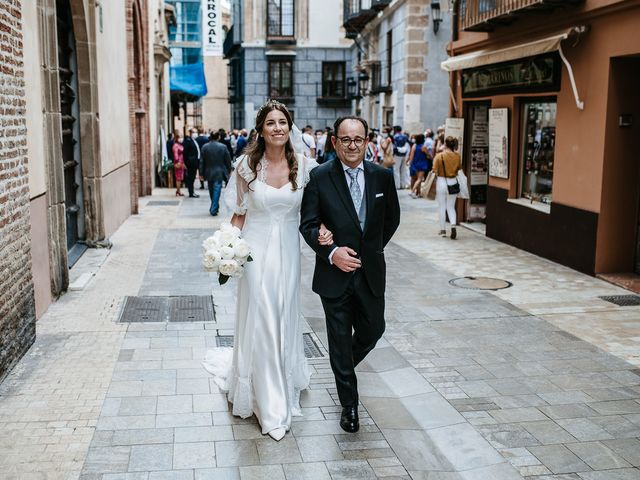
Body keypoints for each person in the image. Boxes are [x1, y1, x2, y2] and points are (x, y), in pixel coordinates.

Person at [202, 100, 333, 442]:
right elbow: (239, 214)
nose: (277, 127)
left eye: (283, 122)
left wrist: (325, 231)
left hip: (289, 251)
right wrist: (226, 245)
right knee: (261, 317)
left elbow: (317, 211)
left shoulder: (306, 167)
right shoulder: (246, 166)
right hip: (256, 252)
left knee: (283, 314)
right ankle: (271, 405)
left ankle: (280, 381)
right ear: (260, 130)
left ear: (290, 128)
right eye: (270, 122)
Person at [300, 116, 400, 434]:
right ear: (334, 142)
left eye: (358, 139)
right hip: (334, 276)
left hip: (370, 272)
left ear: (367, 140)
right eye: (346, 139)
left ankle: (342, 369)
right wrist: (333, 253)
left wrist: (370, 251)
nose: (352, 145)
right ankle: (349, 405)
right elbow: (309, 224)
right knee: (340, 341)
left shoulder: (382, 177)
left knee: (373, 329)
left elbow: (392, 219)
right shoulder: (319, 177)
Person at [432, 136, 462, 239]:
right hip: (453, 181)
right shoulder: (457, 156)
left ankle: (443, 230)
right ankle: (453, 225)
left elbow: (434, 170)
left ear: (445, 144)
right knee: (451, 206)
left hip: (441, 181)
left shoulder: (439, 156)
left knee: (442, 206)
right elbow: (459, 168)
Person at [200, 131, 232, 216]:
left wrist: (201, 173)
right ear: (218, 137)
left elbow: (201, 162)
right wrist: (229, 170)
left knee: (212, 190)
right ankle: (214, 208)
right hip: (219, 171)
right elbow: (228, 160)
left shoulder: (205, 147)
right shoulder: (223, 147)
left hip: (208, 171)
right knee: (216, 190)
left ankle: (214, 207)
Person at [407, 133, 430, 198]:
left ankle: (418, 193)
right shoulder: (424, 147)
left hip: (415, 163)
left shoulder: (414, 146)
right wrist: (428, 154)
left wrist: (410, 163)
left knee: (417, 179)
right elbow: (428, 155)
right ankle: (413, 191)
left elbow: (411, 156)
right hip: (422, 164)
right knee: (419, 179)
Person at [183, 128, 200, 198]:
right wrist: (187, 162)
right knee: (191, 178)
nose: (195, 133)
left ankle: (192, 191)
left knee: (193, 178)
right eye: (194, 132)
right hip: (191, 163)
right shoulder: (188, 141)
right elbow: (185, 153)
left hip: (194, 162)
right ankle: (191, 192)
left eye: (196, 132)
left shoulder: (194, 140)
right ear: (190, 133)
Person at [172, 132, 185, 197]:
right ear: (177, 138)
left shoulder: (180, 144)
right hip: (178, 162)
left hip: (181, 162)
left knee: (180, 177)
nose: (181, 138)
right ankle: (178, 191)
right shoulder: (176, 145)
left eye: (182, 137)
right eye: (180, 137)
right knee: (178, 177)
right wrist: (177, 162)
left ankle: (178, 190)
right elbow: (175, 154)